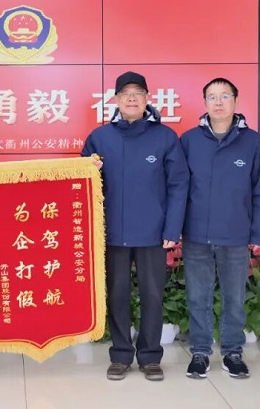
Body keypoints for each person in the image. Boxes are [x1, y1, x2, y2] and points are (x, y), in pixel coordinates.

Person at [81, 71, 189, 382]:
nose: (131, 98)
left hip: (153, 233)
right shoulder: (100, 138)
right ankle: (120, 355)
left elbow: (178, 184)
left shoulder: (164, 137)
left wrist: (172, 229)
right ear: (115, 100)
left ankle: (150, 357)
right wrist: (91, 170)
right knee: (117, 295)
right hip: (112, 233)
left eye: (138, 93)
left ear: (147, 99)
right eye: (125, 93)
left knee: (153, 295)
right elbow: (81, 185)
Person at [179, 78, 260, 380]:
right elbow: (177, 188)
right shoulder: (189, 141)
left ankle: (233, 353)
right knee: (198, 297)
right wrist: (174, 229)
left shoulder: (253, 142)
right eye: (212, 97)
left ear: (235, 101)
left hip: (235, 235)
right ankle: (200, 352)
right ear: (204, 103)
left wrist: (258, 235)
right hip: (196, 235)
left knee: (234, 298)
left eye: (224, 96)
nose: (218, 102)